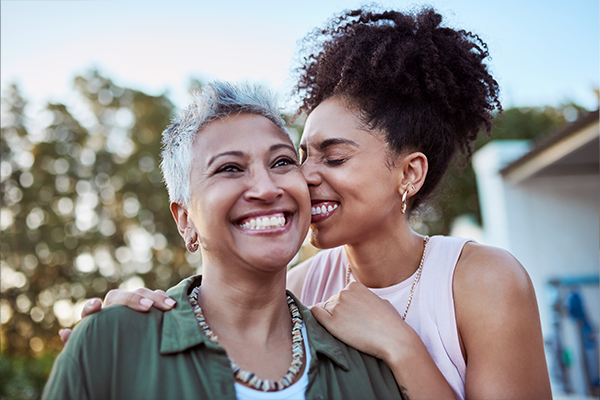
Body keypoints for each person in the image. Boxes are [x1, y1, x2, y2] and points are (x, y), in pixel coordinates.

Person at [60, 7, 552, 400]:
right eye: (301, 156)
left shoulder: (482, 280)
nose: (303, 177)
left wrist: (402, 347)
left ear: (409, 173)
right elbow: (221, 305)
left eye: (334, 158)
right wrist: (125, 320)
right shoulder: (303, 286)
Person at [43, 81, 403, 400]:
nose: (267, 188)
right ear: (186, 220)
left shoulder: (363, 360)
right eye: (230, 168)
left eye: (281, 162)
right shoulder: (113, 344)